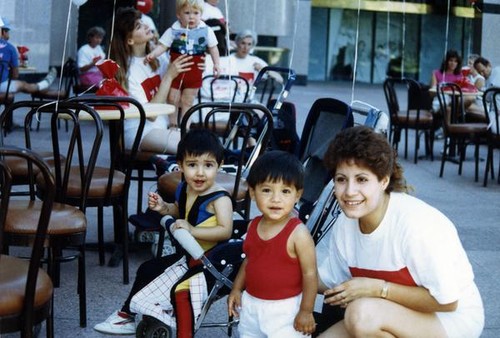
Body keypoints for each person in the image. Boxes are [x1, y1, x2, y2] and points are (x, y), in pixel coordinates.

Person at [315, 126, 484, 337]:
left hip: (450, 320)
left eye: (362, 179)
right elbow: (331, 281)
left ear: (384, 180)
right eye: (341, 179)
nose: (349, 191)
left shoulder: (416, 225)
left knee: (360, 315)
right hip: (390, 312)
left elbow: (448, 301)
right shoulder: (346, 223)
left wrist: (378, 289)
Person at [94, 128, 234, 336]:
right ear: (180, 166)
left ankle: (128, 315)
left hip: (207, 260)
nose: (200, 173)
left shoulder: (219, 199)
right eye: (192, 165)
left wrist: (192, 229)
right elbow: (180, 210)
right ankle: (130, 314)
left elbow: (225, 231)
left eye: (208, 165)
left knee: (150, 270)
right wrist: (164, 208)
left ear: (219, 167)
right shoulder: (185, 188)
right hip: (187, 254)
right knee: (148, 269)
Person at [228, 150, 317, 337]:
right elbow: (249, 260)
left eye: (285, 191)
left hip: (285, 310)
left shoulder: (298, 234)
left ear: (297, 195)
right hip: (252, 304)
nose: (276, 199)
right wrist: (237, 288)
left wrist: (306, 311)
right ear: (253, 192)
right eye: (267, 190)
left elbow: (310, 273)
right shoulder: (253, 225)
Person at [110, 7, 195, 149]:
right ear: (129, 40)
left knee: (200, 143)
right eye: (139, 26)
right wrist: (168, 76)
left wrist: (193, 68)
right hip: (139, 132)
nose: (146, 26)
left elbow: (177, 89)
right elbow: (151, 115)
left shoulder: (159, 57)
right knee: (190, 147)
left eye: (143, 23)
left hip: (164, 127)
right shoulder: (127, 72)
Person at [145, 0, 220, 127]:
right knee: (172, 98)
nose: (191, 17)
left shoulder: (206, 30)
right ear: (178, 15)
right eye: (187, 13)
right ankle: (173, 124)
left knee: (188, 101)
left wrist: (216, 64)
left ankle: (185, 126)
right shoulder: (173, 30)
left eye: (196, 13)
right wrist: (153, 54)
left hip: (194, 72)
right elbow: (163, 45)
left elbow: (213, 48)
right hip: (176, 71)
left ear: (201, 14)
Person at [0, 17, 57, 95]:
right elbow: (15, 75)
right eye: (8, 32)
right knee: (23, 84)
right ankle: (43, 84)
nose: (8, 35)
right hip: (1, 85)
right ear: (3, 31)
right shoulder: (10, 48)